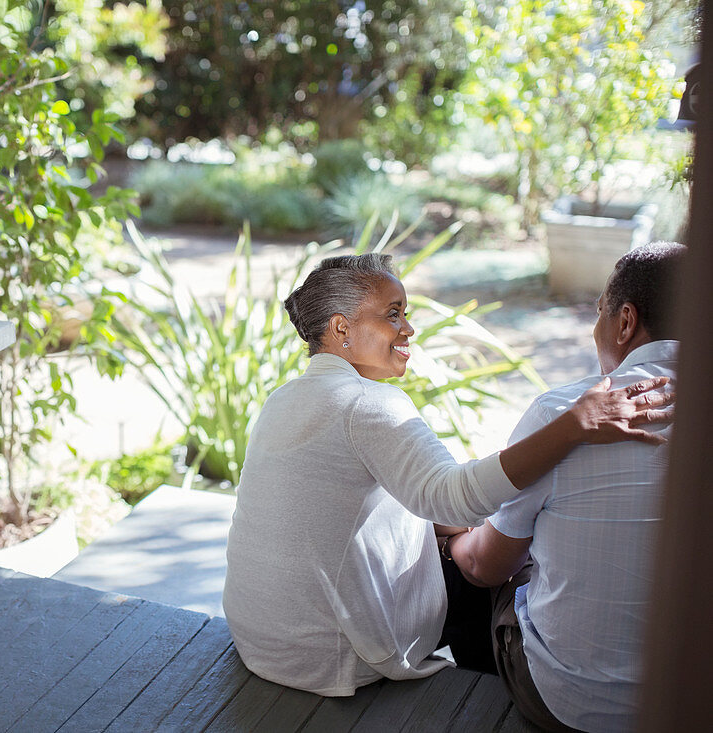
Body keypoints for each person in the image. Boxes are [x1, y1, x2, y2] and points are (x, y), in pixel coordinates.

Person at [221, 252, 671, 698]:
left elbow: (376, 504)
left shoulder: (285, 397)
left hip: (265, 642)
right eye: (392, 315)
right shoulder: (368, 404)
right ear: (342, 329)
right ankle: (482, 701)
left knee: (468, 542)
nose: (408, 328)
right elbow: (455, 499)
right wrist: (575, 424)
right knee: (484, 569)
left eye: (406, 313)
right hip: (335, 658)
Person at [448, 242, 684, 732]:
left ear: (625, 321)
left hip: (580, 706)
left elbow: (486, 567)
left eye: (599, 313)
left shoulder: (565, 413)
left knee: (474, 556)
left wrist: (449, 537)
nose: (593, 330)